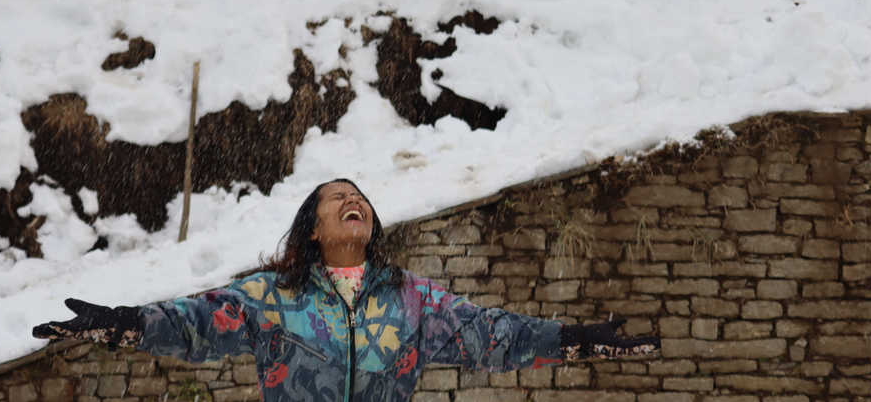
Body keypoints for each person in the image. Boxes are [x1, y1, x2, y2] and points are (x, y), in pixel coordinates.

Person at [33, 178, 660, 401]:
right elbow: (194, 324)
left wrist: (575, 339)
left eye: (358, 195)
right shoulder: (272, 297)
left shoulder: (413, 300)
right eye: (336, 197)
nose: (351, 199)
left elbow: (495, 337)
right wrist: (124, 323)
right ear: (312, 226)